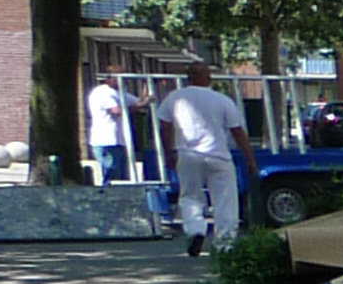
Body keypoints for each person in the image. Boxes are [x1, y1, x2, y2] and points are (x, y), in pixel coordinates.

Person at [154, 73, 252, 257]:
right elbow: (237, 131)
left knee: (190, 195)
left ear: (188, 79)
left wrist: (168, 152)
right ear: (209, 79)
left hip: (188, 154)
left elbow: (164, 126)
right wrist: (250, 159)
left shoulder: (175, 97)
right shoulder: (222, 100)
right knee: (225, 199)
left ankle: (195, 230)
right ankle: (225, 242)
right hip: (219, 155)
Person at [85, 78, 132, 184]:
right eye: (119, 77)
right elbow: (116, 111)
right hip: (106, 140)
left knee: (121, 177)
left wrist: (147, 92)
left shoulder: (119, 93)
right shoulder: (102, 92)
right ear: (109, 79)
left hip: (118, 141)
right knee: (112, 177)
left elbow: (138, 102)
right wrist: (138, 106)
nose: (124, 80)